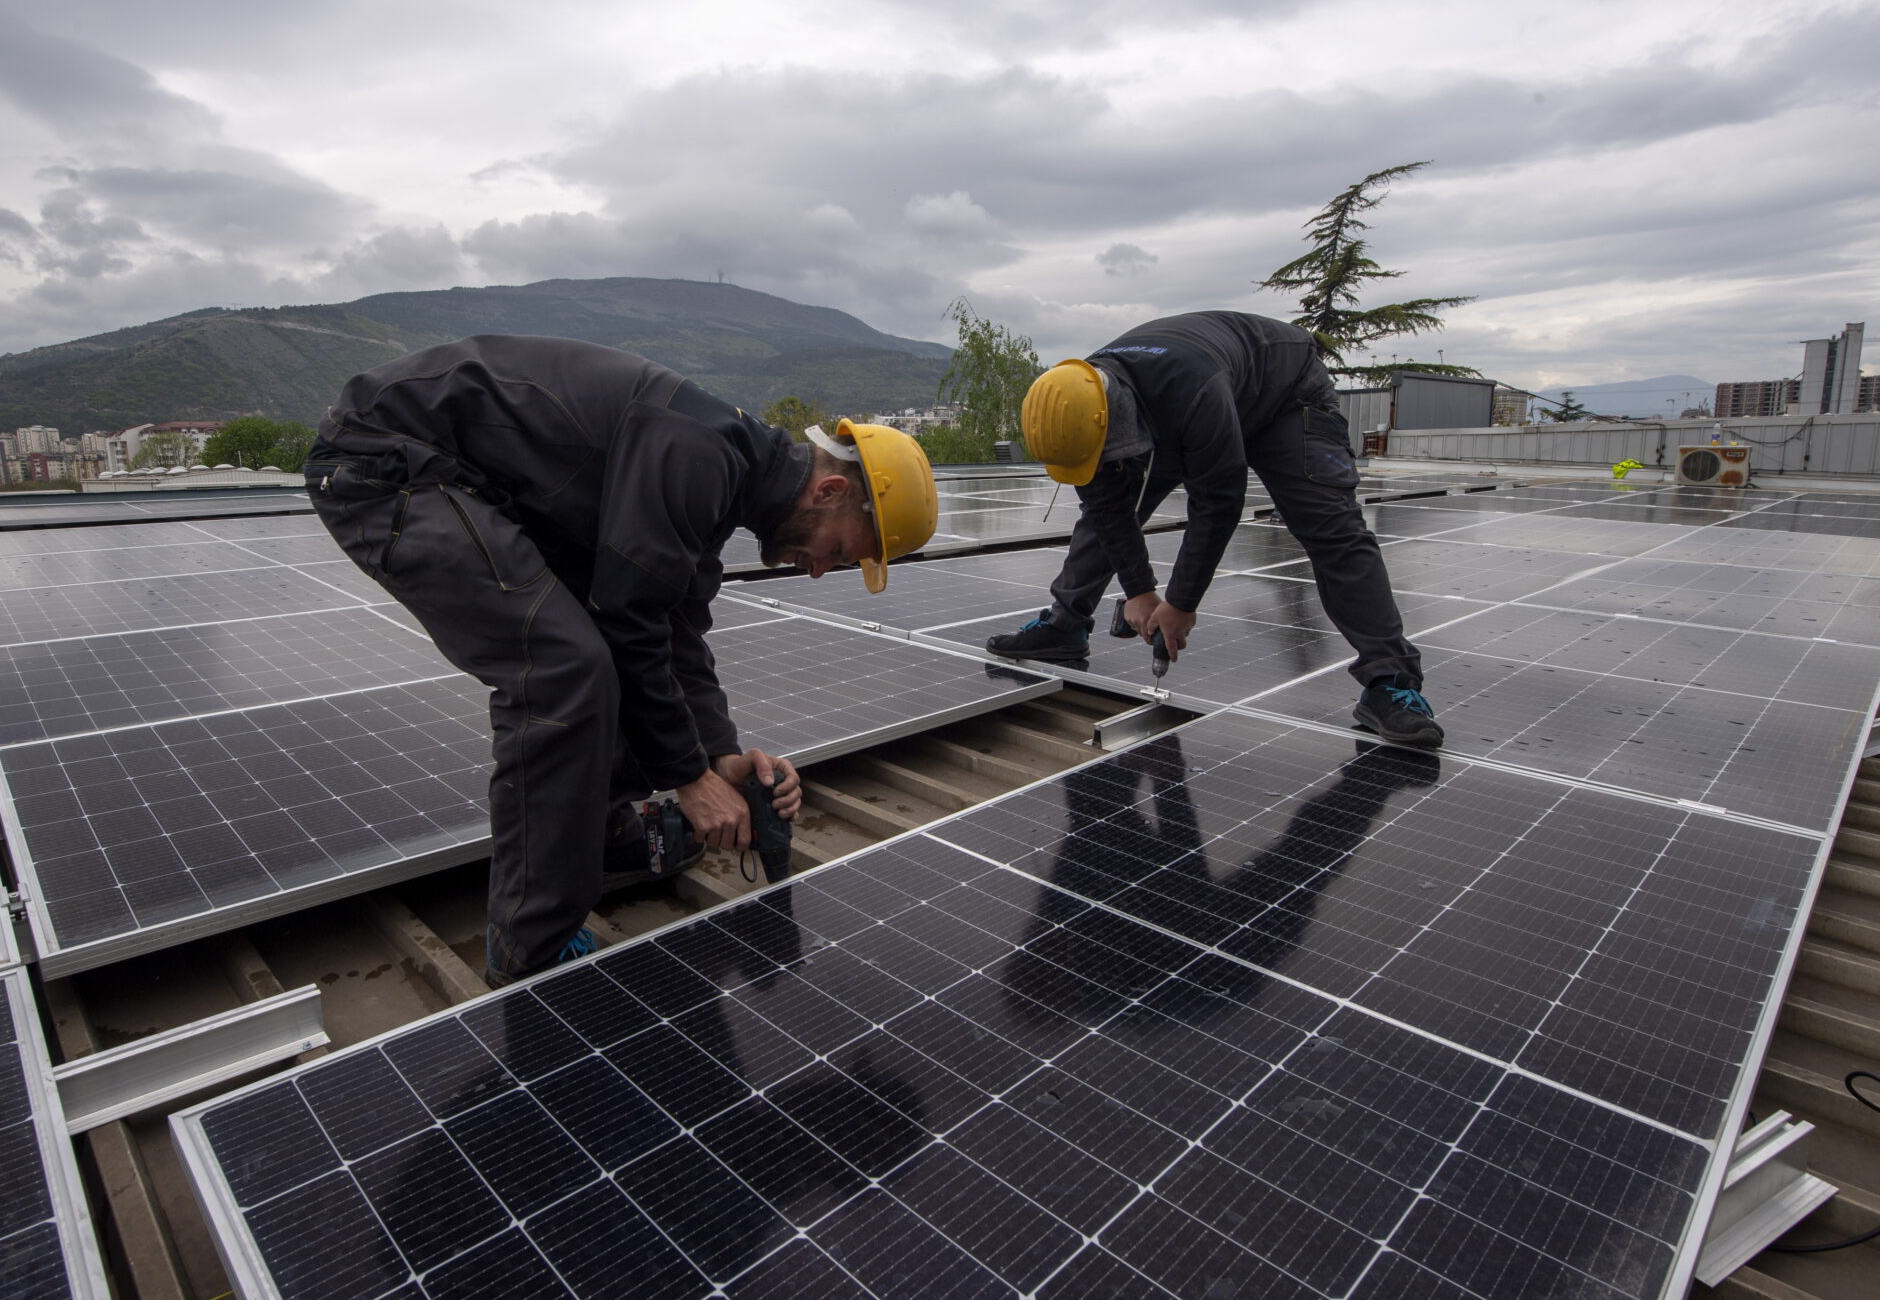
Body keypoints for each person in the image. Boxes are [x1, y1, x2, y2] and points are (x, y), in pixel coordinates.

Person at [305, 336, 938, 984]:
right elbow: (631, 622)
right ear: (830, 490)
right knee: (562, 667)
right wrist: (691, 780)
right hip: (391, 462)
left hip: (470, 483)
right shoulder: (696, 453)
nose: (819, 570)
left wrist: (723, 754)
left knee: (615, 653)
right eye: (838, 551)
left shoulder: (725, 472)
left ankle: (599, 837)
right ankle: (532, 945)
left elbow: (675, 629)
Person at [986, 311, 1442, 748]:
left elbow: (1218, 503)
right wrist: (1141, 592)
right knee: (1102, 515)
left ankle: (1390, 681)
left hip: (1285, 392)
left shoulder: (1189, 395)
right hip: (1193, 393)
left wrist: (1181, 604)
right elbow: (1107, 508)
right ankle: (1064, 627)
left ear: (1114, 422)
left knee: (1332, 529)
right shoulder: (1078, 407)